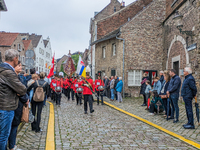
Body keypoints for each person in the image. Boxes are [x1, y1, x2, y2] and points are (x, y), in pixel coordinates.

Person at [0, 49, 27, 150]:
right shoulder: (9, 72)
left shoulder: (1, 68)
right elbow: (22, 89)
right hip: (6, 107)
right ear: (15, 59)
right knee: (3, 136)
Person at [8, 61, 29, 150]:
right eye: (19, 66)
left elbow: (23, 90)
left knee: (14, 126)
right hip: (14, 105)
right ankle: (12, 146)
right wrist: (26, 99)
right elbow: (19, 91)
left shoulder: (19, 77)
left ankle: (12, 144)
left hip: (18, 104)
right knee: (12, 126)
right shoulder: (13, 78)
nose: (21, 67)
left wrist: (26, 98)